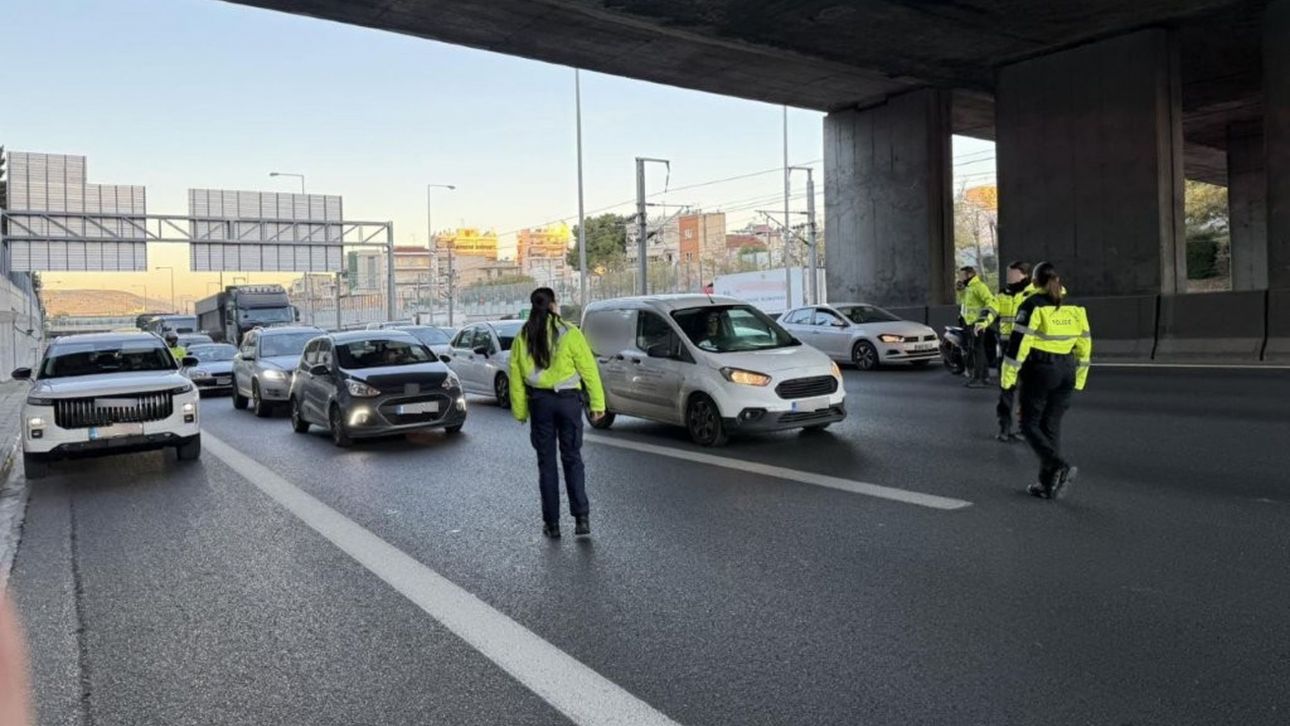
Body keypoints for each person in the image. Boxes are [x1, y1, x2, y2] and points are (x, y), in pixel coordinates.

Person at [509, 288, 607, 538]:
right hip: (568, 403)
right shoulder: (570, 332)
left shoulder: (523, 336)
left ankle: (552, 524)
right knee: (573, 459)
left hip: (540, 403)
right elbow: (588, 370)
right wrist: (597, 405)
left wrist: (520, 411)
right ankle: (581, 519)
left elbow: (516, 377)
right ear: (554, 304)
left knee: (547, 465)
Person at [1000, 263, 1092, 499]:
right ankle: (1047, 485)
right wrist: (1079, 379)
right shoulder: (1073, 307)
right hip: (1067, 370)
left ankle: (1057, 464)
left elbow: (1018, 345)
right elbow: (1084, 345)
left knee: (1028, 424)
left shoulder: (1031, 305)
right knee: (1050, 427)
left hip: (1041, 370)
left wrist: (1007, 378)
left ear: (1034, 281)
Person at [994, 261, 1034, 441]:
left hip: (1027, 348)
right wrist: (982, 321)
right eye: (1007, 274)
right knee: (1006, 388)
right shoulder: (1003, 294)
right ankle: (1004, 428)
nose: (1008, 277)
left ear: (1024, 274)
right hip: (1006, 346)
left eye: (1012, 274)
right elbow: (991, 310)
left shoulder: (1034, 293)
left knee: (1028, 391)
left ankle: (1025, 429)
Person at [956, 266, 997, 388]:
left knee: (977, 351)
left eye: (962, 275)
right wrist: (961, 291)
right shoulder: (969, 287)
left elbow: (990, 302)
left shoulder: (979, 286)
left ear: (969, 275)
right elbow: (966, 304)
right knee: (979, 350)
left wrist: (982, 320)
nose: (960, 277)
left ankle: (978, 378)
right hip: (969, 323)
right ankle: (985, 377)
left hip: (977, 324)